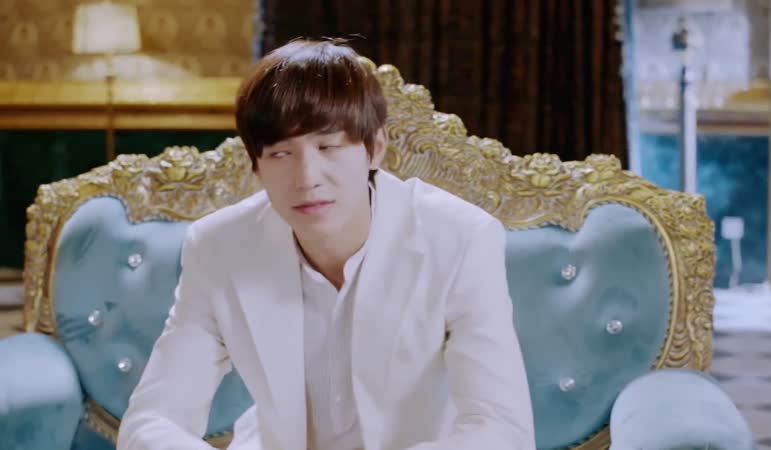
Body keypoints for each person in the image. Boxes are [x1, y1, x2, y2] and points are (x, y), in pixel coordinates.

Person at [118, 38, 535, 450]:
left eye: (328, 146)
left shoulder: (461, 238)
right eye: (281, 154)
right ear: (256, 167)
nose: (307, 178)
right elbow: (151, 422)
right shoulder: (218, 247)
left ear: (375, 148)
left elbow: (503, 432)